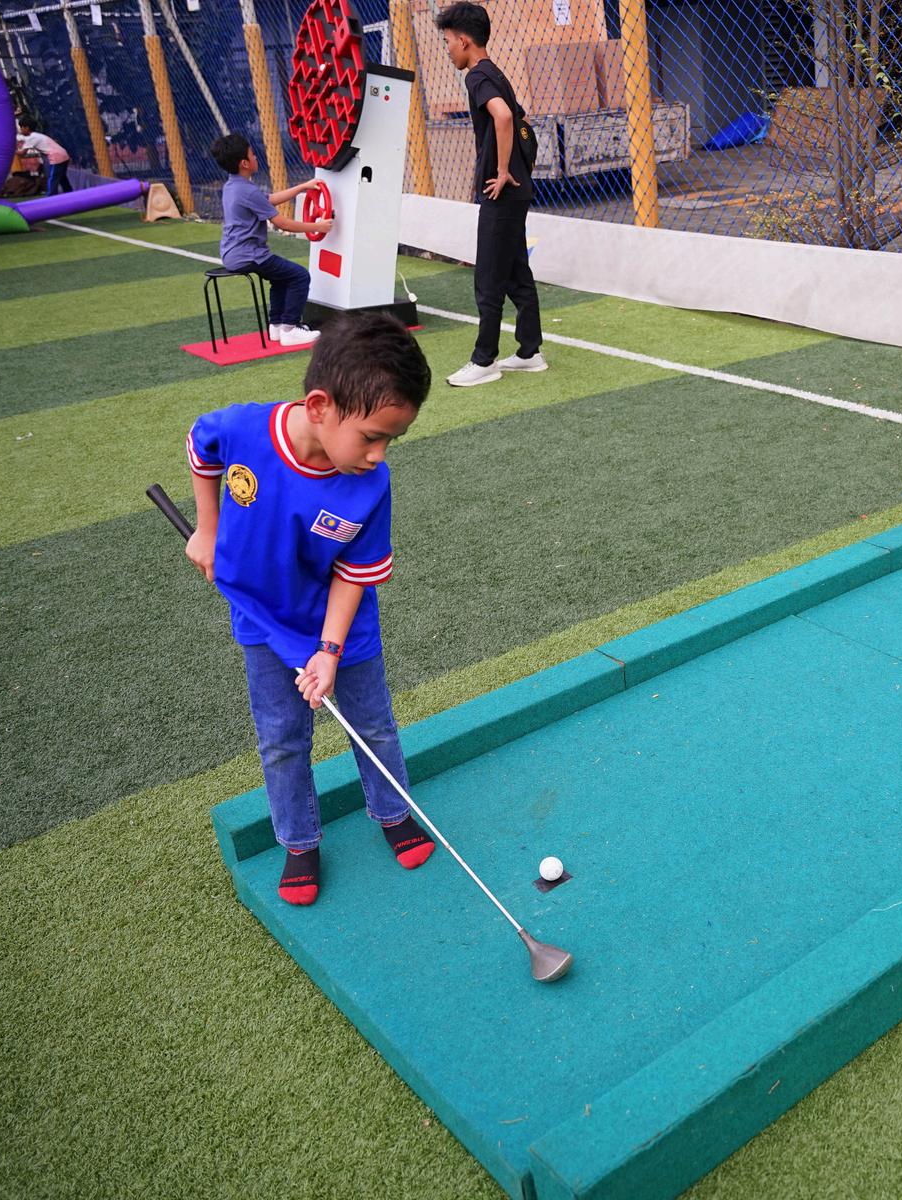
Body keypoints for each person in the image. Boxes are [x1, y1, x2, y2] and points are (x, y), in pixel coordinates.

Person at [183, 314, 435, 905]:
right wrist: (207, 527)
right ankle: (299, 840)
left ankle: (393, 811)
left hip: (344, 629)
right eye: (371, 436)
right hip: (263, 620)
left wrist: (328, 650)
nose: (377, 454)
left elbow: (354, 573)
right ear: (320, 406)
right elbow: (201, 445)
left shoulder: (370, 484)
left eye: (391, 440)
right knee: (281, 739)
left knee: (373, 726)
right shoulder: (245, 430)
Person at [435, 2, 547, 387]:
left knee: (488, 277)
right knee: (515, 270)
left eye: (449, 42)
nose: (448, 49)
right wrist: (518, 167)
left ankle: (484, 360)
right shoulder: (496, 72)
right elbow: (521, 118)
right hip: (518, 190)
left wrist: (501, 171)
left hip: (501, 192)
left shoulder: (477, 77)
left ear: (465, 41)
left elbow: (504, 116)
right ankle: (530, 352)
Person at [209, 132, 332, 347]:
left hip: (231, 254)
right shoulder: (247, 190)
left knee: (280, 277)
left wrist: (302, 187)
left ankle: (276, 326)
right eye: (253, 154)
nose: (256, 157)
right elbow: (282, 224)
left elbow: (268, 200)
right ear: (244, 163)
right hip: (249, 255)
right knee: (300, 276)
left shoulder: (232, 185)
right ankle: (290, 329)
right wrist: (317, 227)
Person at [17, 116, 72, 195]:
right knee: (62, 178)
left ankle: (51, 196)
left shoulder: (31, 138)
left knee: (53, 178)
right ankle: (70, 194)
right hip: (63, 155)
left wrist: (10, 150)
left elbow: (22, 153)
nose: (20, 130)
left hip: (57, 157)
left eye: (21, 127)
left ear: (27, 128)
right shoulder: (36, 135)